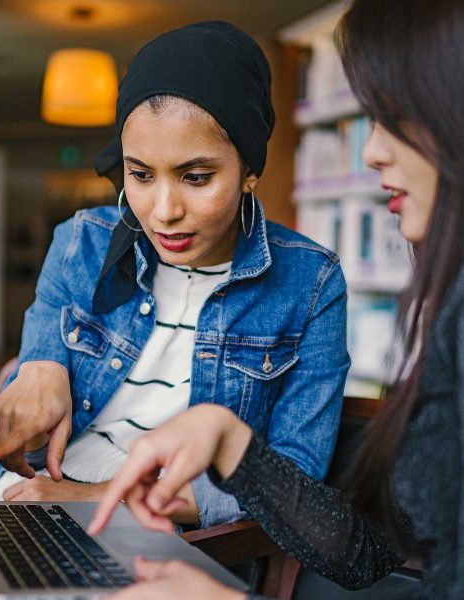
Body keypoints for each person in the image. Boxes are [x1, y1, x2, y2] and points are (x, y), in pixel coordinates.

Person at [88, 1, 464, 599]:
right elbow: (368, 558)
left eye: (397, 117)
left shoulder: (314, 282)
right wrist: (228, 438)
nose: (371, 153)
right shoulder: (449, 309)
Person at [0, 21, 349, 529]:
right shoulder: (82, 241)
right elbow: (36, 375)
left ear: (250, 171)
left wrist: (95, 497)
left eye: (196, 177)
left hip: (152, 536)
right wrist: (39, 368)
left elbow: (291, 483)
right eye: (141, 175)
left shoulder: (312, 283)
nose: (164, 211)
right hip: (23, 497)